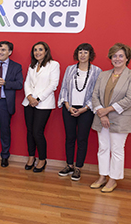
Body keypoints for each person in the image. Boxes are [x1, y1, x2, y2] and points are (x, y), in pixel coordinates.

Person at [90, 43, 131, 193]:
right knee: (103, 148)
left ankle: (112, 180)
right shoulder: (103, 74)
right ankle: (102, 176)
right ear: (110, 58)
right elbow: (95, 96)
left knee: (117, 150)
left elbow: (130, 98)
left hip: (120, 118)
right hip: (101, 118)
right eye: (114, 56)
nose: (117, 59)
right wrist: (101, 112)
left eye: (120, 56)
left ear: (127, 58)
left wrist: (107, 111)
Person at [57, 43, 102, 181]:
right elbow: (64, 88)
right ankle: (69, 165)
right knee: (70, 137)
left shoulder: (96, 71)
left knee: (82, 139)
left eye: (85, 52)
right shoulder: (70, 69)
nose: (82, 55)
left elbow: (96, 92)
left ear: (90, 55)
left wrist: (85, 108)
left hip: (86, 110)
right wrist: (68, 106)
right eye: (80, 52)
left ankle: (78, 167)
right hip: (69, 108)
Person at [22, 41, 60, 172]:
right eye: (35, 50)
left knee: (38, 132)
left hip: (43, 103)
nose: (37, 52)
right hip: (29, 102)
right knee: (30, 132)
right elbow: (26, 82)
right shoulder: (32, 65)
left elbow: (53, 85)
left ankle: (42, 159)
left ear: (46, 51)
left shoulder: (53, 65)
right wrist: (29, 97)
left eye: (40, 49)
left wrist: (37, 99)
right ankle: (31, 157)